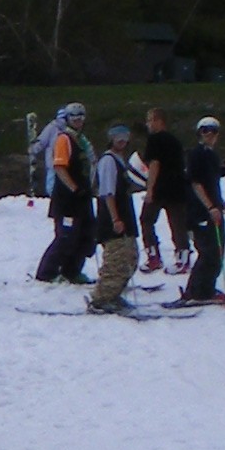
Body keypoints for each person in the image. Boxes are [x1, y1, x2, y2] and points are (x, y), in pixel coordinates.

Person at [140, 107, 222, 301]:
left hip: (161, 187)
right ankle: (182, 256)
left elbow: (154, 164)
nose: (148, 124)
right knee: (177, 222)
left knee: (146, 219)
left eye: (150, 120)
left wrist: (150, 189)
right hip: (178, 188)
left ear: (159, 121)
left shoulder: (155, 140)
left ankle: (153, 256)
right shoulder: (175, 141)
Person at [32, 102, 95, 282]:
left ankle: (72, 270)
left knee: (85, 235)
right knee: (66, 237)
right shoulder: (64, 139)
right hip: (68, 200)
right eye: (74, 117)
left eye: (81, 117)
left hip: (83, 198)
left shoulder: (81, 139)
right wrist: (74, 188)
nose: (78, 120)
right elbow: (59, 167)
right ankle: (46, 272)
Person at [87, 123, 142, 312]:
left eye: (125, 135)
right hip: (114, 220)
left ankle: (115, 295)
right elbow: (107, 193)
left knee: (130, 258)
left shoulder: (121, 160)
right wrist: (115, 219)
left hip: (126, 218)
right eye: (118, 136)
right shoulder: (108, 161)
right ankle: (101, 299)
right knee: (116, 261)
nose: (122, 140)